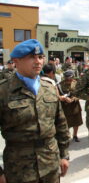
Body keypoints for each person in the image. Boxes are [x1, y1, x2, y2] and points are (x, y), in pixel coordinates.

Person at [0, 39, 70, 183]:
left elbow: (60, 123)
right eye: (31, 57)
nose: (38, 61)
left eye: (40, 57)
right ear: (16, 61)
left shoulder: (49, 87)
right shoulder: (3, 91)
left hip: (50, 164)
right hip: (19, 169)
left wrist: (64, 155)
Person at [58, 70, 83, 142]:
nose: (69, 80)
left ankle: (75, 135)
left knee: (76, 121)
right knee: (66, 122)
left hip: (75, 106)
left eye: (70, 78)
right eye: (67, 78)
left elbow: (80, 93)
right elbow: (58, 95)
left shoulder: (76, 83)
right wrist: (64, 98)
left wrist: (73, 99)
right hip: (65, 106)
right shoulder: (60, 84)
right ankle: (67, 136)